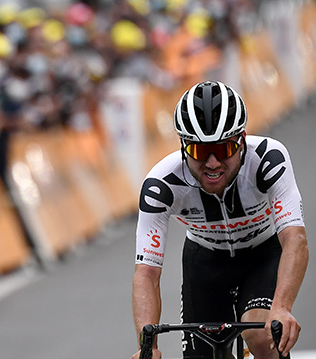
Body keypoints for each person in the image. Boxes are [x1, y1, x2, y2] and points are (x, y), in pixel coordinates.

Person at [131, 80, 308, 359]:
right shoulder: (161, 184)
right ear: (183, 147)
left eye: (224, 149)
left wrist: (282, 308)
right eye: (200, 151)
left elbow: (295, 239)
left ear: (242, 140)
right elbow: (146, 272)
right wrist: (147, 346)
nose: (212, 163)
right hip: (205, 261)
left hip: (262, 254)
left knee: (262, 337)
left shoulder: (268, 159)